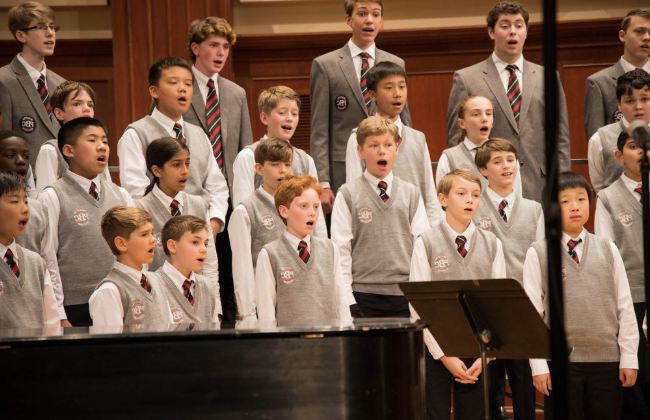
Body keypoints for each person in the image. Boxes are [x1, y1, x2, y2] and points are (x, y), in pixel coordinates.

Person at [524, 171, 639, 419]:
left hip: (608, 360)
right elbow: (532, 314)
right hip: (561, 362)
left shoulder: (608, 249)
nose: (575, 206)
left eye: (581, 199)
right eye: (565, 201)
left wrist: (629, 357)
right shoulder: (539, 253)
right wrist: (539, 365)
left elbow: (625, 306)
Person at [446, 1, 571, 203]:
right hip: (486, 187)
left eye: (519, 25)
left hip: (540, 184)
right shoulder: (467, 79)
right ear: (491, 32)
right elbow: (457, 139)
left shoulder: (548, 77)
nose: (513, 31)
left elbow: (561, 136)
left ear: (526, 32)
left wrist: (564, 184)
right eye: (505, 26)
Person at [410, 169, 505, 420]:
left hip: (478, 350)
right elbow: (417, 305)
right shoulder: (426, 242)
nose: (469, 200)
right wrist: (444, 355)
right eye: (461, 194)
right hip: (436, 348)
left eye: (475, 194)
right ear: (442, 199)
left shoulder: (492, 243)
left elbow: (498, 306)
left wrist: (486, 356)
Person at [310, 0, 411, 215]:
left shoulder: (395, 63)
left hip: (389, 166)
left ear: (381, 21)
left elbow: (404, 120)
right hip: (341, 170)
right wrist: (323, 183)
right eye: (362, 14)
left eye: (375, 14)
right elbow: (319, 130)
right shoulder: (326, 65)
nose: (369, 20)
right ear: (349, 19)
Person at [332, 115, 428, 318]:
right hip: (363, 295)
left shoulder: (411, 193)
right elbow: (341, 251)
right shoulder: (347, 194)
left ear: (397, 148)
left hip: (405, 294)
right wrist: (348, 299)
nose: (381, 151)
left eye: (387, 144)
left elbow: (421, 249)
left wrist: (421, 296)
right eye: (373, 145)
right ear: (360, 151)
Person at [40, 117, 134, 326]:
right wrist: (59, 314)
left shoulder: (121, 195)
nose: (102, 147)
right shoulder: (53, 196)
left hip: (120, 299)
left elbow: (134, 251)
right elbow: (48, 258)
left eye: (105, 141)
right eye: (92, 140)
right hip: (75, 306)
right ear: (69, 150)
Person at [474, 139, 541, 420]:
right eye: (497, 161)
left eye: (510, 160)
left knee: (523, 381)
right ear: (483, 170)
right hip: (486, 306)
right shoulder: (473, 206)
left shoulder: (534, 209)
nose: (506, 166)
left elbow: (541, 259)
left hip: (523, 305)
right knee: (489, 382)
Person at [595, 129, 650, 418]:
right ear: (618, 155)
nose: (641, 151)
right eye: (632, 146)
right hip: (632, 296)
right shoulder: (607, 198)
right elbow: (607, 253)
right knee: (636, 372)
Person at [345, 61, 441, 227]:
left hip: (414, 228)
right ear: (372, 95)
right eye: (389, 88)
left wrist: (433, 230)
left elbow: (429, 193)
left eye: (402, 87)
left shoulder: (418, 139)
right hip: (374, 228)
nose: (397, 94)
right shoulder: (358, 137)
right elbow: (353, 190)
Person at [255, 175, 351, 328]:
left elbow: (342, 301)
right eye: (304, 206)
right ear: (284, 211)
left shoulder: (330, 249)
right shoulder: (270, 254)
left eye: (316, 206)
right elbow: (266, 314)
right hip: (289, 341)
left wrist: (345, 333)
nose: (312, 212)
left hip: (328, 340)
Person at [135, 137, 219, 282]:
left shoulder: (198, 204)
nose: (185, 171)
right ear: (157, 170)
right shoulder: (141, 208)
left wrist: (213, 294)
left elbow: (210, 259)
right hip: (159, 291)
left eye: (187, 163)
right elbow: (141, 265)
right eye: (176, 165)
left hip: (195, 289)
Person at [230, 138, 293, 322]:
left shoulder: (298, 205)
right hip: (263, 302)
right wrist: (248, 313)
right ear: (259, 169)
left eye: (287, 164)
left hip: (294, 298)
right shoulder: (246, 211)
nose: (283, 170)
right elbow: (242, 267)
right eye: (275, 164)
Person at [0, 1, 65, 167]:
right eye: (41, 27)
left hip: (60, 177)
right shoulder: (3, 80)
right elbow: (4, 141)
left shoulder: (61, 84)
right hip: (24, 177)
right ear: (21, 36)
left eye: (52, 27)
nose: (50, 33)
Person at [89, 206, 170, 327]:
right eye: (144, 234)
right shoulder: (109, 291)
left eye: (152, 233)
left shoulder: (159, 280)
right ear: (121, 244)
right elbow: (110, 339)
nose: (153, 239)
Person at [0, 171, 58, 328]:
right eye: (15, 201)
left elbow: (51, 321)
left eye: (26, 201)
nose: (25, 209)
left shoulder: (36, 262)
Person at [584, 9, 650, 140]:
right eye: (639, 31)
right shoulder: (598, 83)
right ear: (622, 36)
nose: (647, 37)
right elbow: (597, 141)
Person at [34, 81, 106, 193]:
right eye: (77, 104)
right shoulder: (50, 150)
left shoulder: (100, 147)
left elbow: (109, 191)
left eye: (90, 105)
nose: (86, 109)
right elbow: (46, 199)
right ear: (59, 113)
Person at [149, 215, 221, 324]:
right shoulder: (152, 286)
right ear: (172, 246)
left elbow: (213, 331)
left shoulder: (207, 286)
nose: (204, 249)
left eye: (205, 244)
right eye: (195, 242)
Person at [587, 69, 650, 193]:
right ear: (619, 104)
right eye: (630, 101)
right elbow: (599, 187)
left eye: (644, 99)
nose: (638, 107)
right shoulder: (600, 138)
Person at [0, 130, 47, 254]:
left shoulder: (38, 209)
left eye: (26, 156)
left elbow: (46, 255)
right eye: (10, 155)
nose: (21, 161)